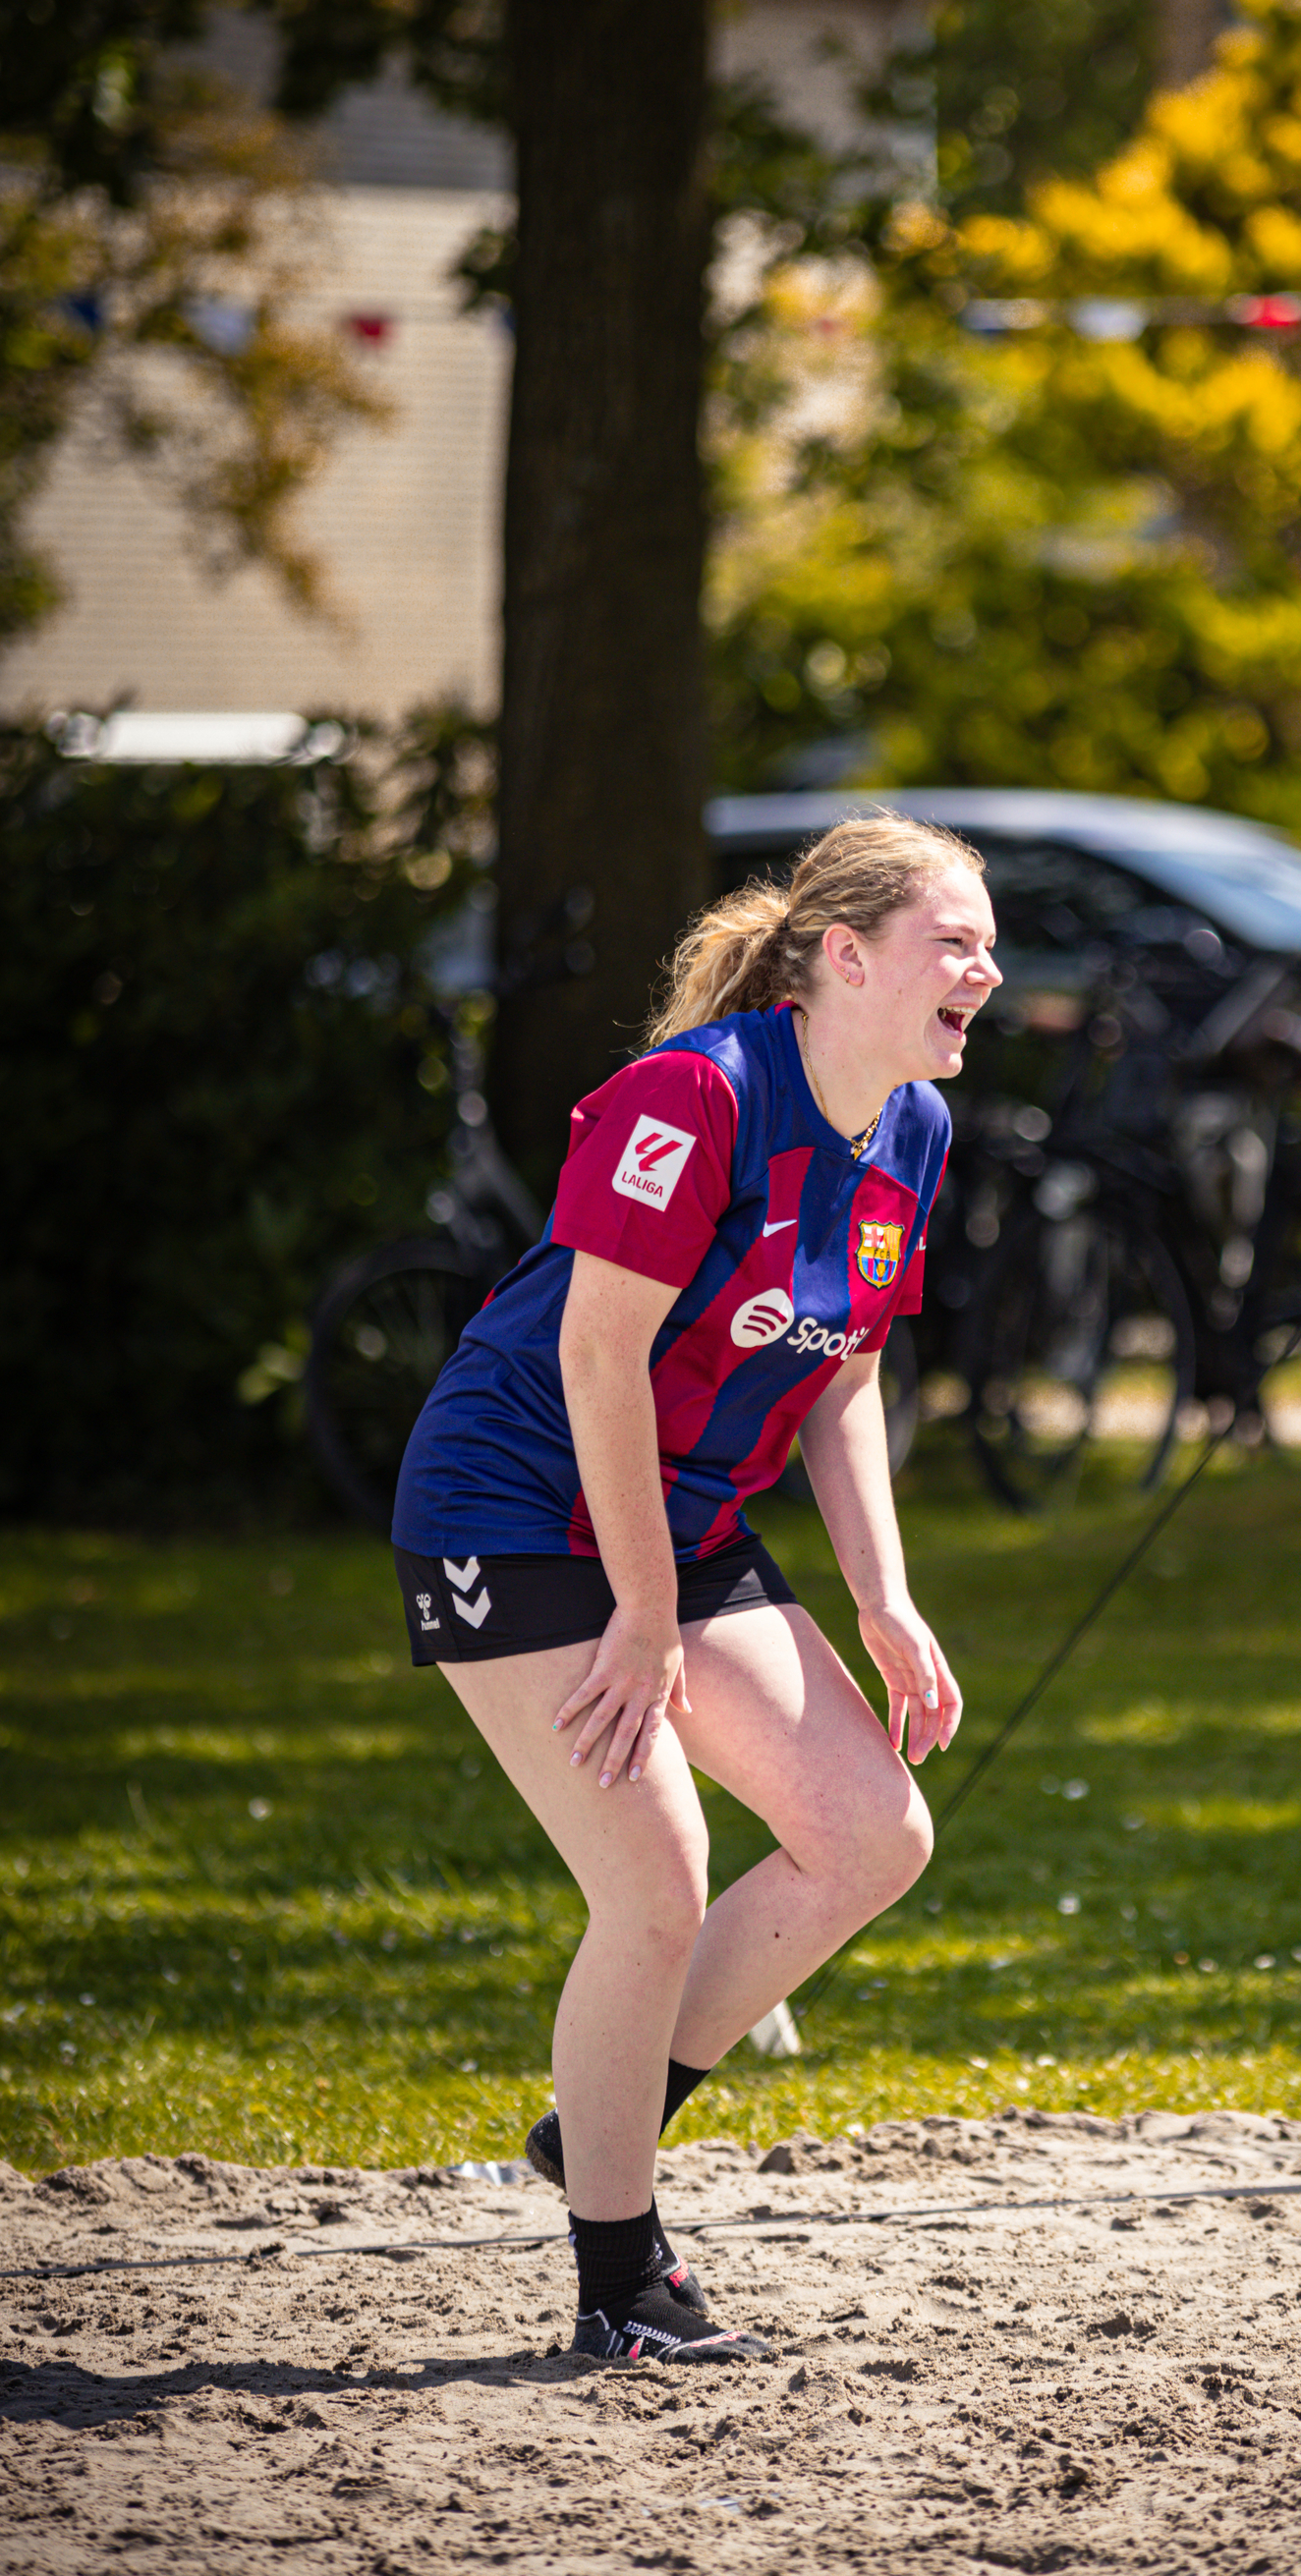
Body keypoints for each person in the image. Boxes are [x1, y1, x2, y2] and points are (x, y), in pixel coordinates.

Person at [390, 814, 1001, 2365]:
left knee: (874, 1834)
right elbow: (597, 1356)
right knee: (654, 1878)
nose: (986, 971)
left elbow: (845, 1366)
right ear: (845, 957)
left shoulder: (911, 1128)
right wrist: (647, 1623)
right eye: (958, 939)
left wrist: (885, 1598)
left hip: (677, 1516)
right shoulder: (699, 1095)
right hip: (515, 1508)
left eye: (987, 943)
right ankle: (621, 2276)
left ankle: (605, 2121)